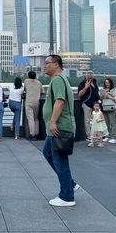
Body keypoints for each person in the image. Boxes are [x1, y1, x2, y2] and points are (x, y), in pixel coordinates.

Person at [42, 54, 79, 207]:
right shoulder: (59, 79)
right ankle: (70, 184)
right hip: (57, 128)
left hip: (59, 128)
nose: (44, 66)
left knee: (60, 161)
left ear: (56, 64)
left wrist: (53, 122)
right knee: (48, 153)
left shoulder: (57, 80)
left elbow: (60, 101)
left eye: (47, 63)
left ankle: (67, 196)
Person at [77, 71, 100, 141]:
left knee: (96, 120)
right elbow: (80, 94)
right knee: (87, 120)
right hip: (87, 103)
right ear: (86, 77)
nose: (90, 80)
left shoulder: (95, 83)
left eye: (91, 78)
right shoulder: (82, 83)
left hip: (95, 104)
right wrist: (86, 87)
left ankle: (95, 134)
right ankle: (89, 135)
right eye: (88, 78)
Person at [23, 71, 44, 141]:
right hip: (36, 102)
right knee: (36, 119)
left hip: (28, 102)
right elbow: (43, 91)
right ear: (35, 76)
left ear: (28, 76)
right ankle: (37, 133)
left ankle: (32, 134)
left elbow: (25, 89)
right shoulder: (39, 83)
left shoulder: (26, 81)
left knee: (30, 119)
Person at [99, 77, 116, 143]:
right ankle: (107, 136)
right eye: (106, 83)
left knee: (112, 123)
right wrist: (101, 95)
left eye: (108, 83)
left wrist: (108, 96)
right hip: (104, 107)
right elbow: (101, 99)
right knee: (106, 123)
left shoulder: (114, 90)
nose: (107, 84)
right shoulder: (103, 89)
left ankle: (114, 137)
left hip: (111, 107)